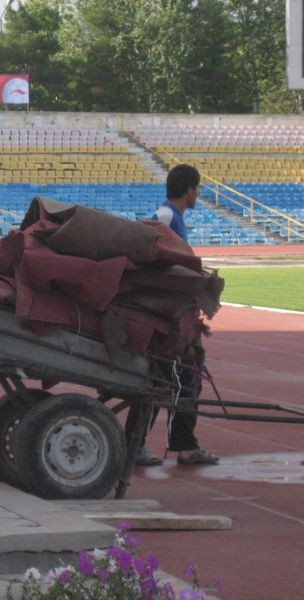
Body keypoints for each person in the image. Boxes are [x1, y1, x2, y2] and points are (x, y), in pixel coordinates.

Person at [131, 163, 220, 466]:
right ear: (189, 190)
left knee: (180, 377)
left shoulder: (174, 217)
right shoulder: (167, 216)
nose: (199, 194)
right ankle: (146, 444)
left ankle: (179, 444)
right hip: (165, 319)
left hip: (171, 316)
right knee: (166, 378)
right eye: (198, 189)